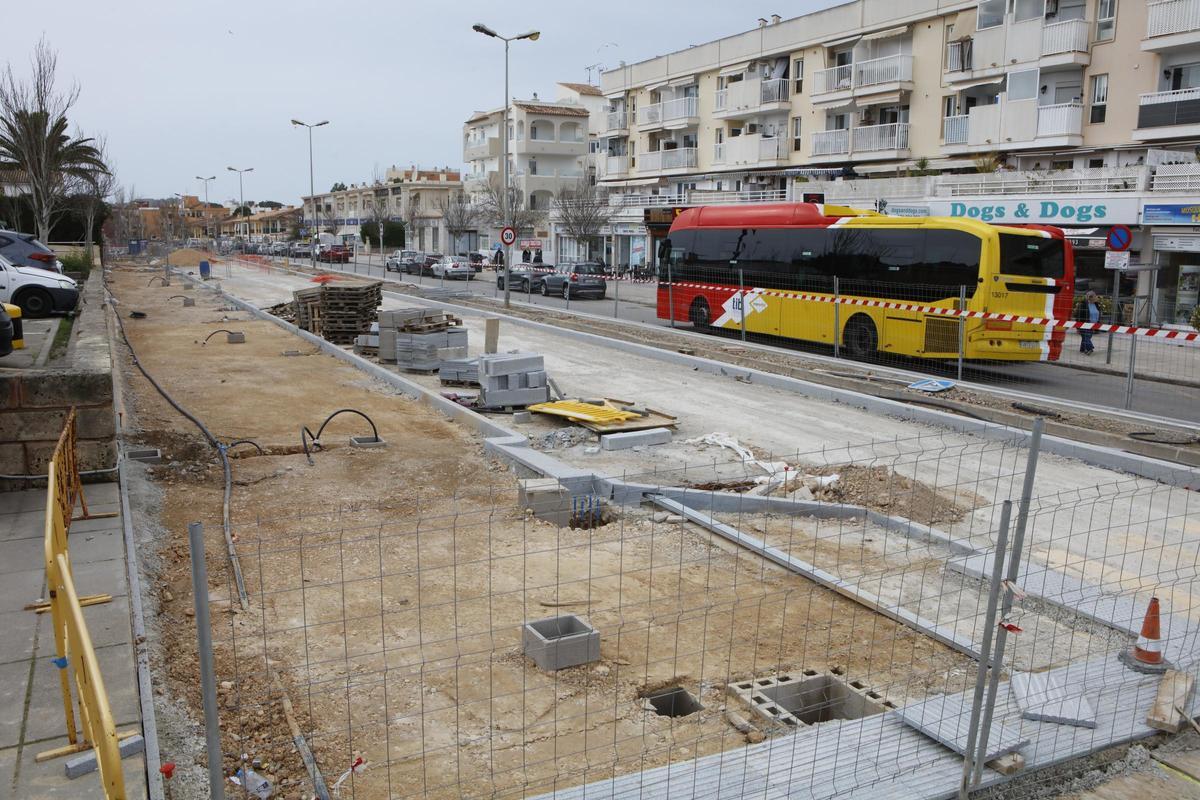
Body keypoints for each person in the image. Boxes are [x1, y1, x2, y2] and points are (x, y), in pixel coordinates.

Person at [1074, 290, 1101, 355]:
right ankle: (1090, 348)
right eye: (1094, 296)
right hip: (1084, 324)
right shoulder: (1083, 305)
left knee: (1086, 337)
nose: (1096, 298)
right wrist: (1078, 327)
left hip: (1093, 325)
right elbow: (1078, 315)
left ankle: (1082, 349)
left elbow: (1098, 314)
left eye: (1095, 296)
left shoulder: (1096, 305)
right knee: (1086, 337)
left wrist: (1098, 325)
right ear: (1089, 297)